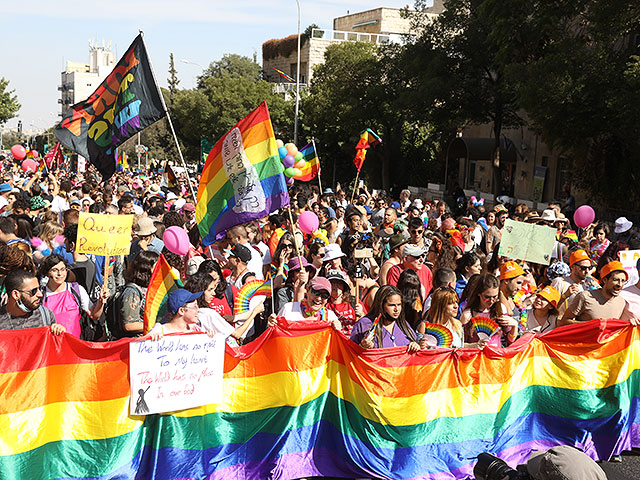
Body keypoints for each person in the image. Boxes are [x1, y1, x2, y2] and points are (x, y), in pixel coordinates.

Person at [184, 272, 264, 346]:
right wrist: (255, 312)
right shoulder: (208, 313)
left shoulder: (190, 314)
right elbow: (237, 334)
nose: (214, 293)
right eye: (210, 290)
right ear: (200, 291)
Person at [40, 254, 108, 339]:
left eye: (63, 269)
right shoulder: (40, 295)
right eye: (55, 270)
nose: (60, 274)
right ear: (47, 273)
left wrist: (101, 301)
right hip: (51, 346)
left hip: (74, 346)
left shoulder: (76, 289)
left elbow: (94, 315)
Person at [560, 261, 639, 326]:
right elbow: (564, 322)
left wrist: (629, 323)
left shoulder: (621, 302)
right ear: (605, 280)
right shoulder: (585, 296)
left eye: (623, 281)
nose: (620, 284)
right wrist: (591, 324)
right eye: (615, 279)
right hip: (584, 344)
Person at [350, 285, 420, 352]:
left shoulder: (403, 325)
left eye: (399, 304)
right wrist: (362, 347)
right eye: (392, 305)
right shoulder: (365, 324)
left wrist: (416, 346)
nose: (396, 309)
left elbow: (416, 345)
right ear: (381, 305)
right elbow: (351, 352)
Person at [110, 251, 159, 339]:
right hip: (134, 344)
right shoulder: (132, 293)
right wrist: (156, 326)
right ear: (147, 268)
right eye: (157, 266)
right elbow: (129, 325)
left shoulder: (147, 288)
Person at [0, 269, 64, 334]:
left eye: (40, 288)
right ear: (16, 295)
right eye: (33, 291)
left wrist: (58, 330)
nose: (40, 294)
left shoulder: (45, 315)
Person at [273, 276, 340, 328]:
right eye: (316, 292)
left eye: (324, 295)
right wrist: (272, 324)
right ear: (307, 290)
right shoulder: (289, 309)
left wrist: (337, 329)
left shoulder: (330, 317)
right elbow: (277, 334)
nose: (319, 298)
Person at [147, 289, 216, 339]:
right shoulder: (160, 330)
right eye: (195, 307)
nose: (198, 310)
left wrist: (209, 338)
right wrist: (150, 339)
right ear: (181, 311)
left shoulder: (195, 328)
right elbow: (141, 350)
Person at [551, 249, 594, 317]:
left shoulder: (588, 284)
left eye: (589, 268)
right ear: (573, 267)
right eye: (583, 268)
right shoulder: (560, 282)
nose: (587, 271)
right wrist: (565, 296)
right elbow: (549, 308)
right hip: (562, 324)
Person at [326, 269, 361, 335]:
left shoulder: (354, 301)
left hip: (352, 341)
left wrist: (361, 314)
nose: (335, 286)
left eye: (339, 283)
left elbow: (368, 323)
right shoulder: (323, 304)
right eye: (332, 283)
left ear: (344, 286)